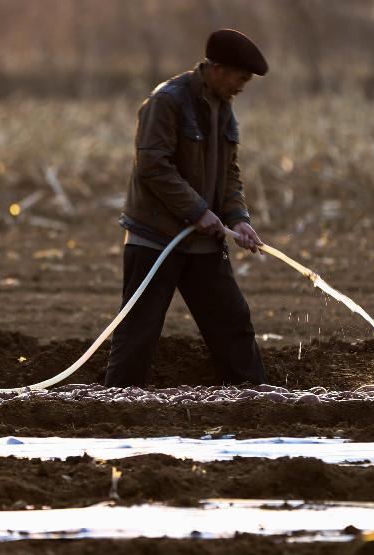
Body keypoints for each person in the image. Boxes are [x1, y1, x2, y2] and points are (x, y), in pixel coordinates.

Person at [104, 29, 268, 388]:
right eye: (240, 78)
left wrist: (238, 218)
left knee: (232, 320)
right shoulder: (166, 102)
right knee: (140, 330)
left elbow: (229, 174)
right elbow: (153, 166)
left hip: (203, 242)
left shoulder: (224, 110)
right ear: (218, 69)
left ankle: (254, 398)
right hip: (155, 239)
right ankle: (117, 405)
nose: (242, 86)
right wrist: (197, 210)